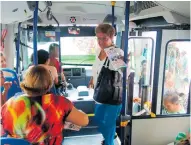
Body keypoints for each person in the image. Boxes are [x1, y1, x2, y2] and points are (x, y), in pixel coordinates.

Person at [1, 65, 89, 144]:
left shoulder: (9, 104)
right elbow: (84, 121)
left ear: (25, 83)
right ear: (49, 84)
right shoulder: (59, 103)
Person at [89, 24, 126, 145]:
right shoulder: (99, 51)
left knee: (108, 124)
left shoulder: (114, 51)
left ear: (112, 38)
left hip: (112, 96)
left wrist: (118, 60)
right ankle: (111, 136)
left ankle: (109, 141)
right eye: (98, 38)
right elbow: (98, 68)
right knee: (99, 120)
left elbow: (124, 71)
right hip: (100, 93)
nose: (100, 42)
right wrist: (92, 79)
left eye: (104, 38)